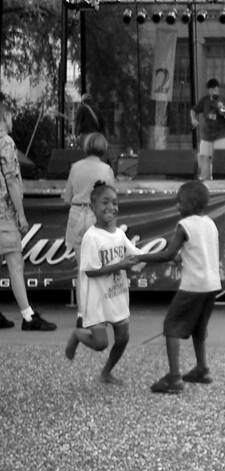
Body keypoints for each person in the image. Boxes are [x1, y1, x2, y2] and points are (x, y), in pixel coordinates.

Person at [132, 181, 221, 394]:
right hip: (212, 284)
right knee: (199, 328)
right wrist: (183, 258)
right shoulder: (210, 222)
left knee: (171, 326)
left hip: (193, 285)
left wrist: (140, 257)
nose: (176, 207)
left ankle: (174, 378)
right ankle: (202, 368)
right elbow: (200, 251)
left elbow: (169, 253)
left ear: (190, 203)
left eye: (179, 203)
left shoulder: (185, 225)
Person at [64, 181, 141, 385]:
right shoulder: (92, 237)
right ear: (93, 206)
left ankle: (106, 373)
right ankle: (78, 335)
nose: (111, 207)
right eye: (105, 202)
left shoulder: (119, 234)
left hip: (117, 294)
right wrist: (121, 265)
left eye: (115, 203)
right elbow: (90, 271)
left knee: (123, 338)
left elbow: (138, 255)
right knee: (100, 343)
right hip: (97, 298)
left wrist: (168, 257)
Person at [0, 103, 56, 331]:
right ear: (4, 116)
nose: (12, 120)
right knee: (15, 260)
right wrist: (21, 215)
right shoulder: (5, 142)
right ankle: (28, 315)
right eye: (10, 116)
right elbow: (11, 179)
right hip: (4, 212)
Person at [63, 132, 116, 327]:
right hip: (97, 217)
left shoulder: (75, 167)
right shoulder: (106, 169)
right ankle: (101, 312)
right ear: (104, 148)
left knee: (82, 269)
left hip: (77, 215)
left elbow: (67, 197)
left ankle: (81, 313)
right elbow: (111, 198)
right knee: (102, 268)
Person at [190, 78, 225, 180]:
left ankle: (221, 183)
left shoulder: (223, 100)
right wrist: (193, 119)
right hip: (206, 135)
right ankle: (205, 180)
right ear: (209, 90)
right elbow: (193, 110)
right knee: (204, 159)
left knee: (221, 161)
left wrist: (222, 109)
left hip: (221, 135)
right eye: (213, 90)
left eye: (217, 89)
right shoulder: (205, 100)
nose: (215, 91)